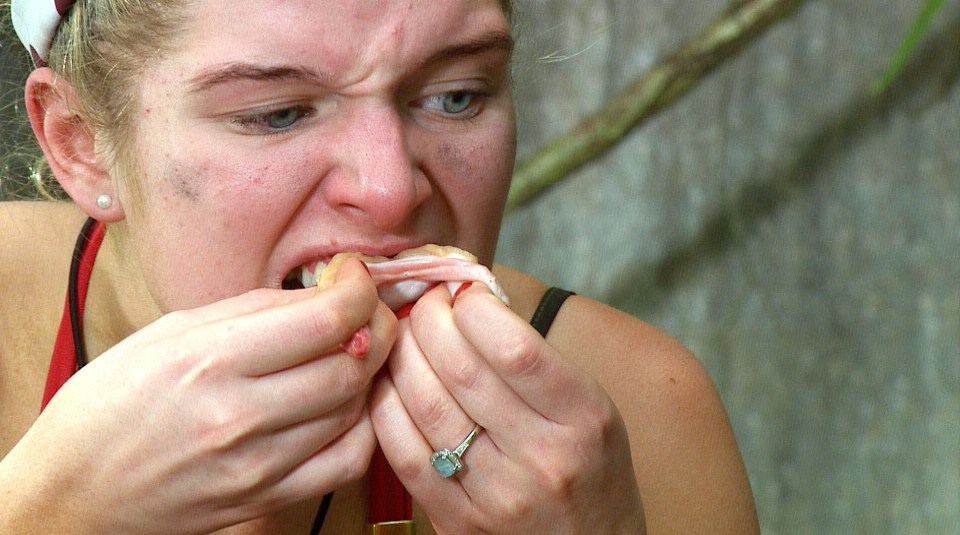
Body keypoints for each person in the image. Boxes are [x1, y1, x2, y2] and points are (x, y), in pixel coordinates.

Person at [0, 1, 759, 533]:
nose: (393, 190)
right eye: (278, 113)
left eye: (456, 95)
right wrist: (46, 514)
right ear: (78, 141)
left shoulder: (637, 415)